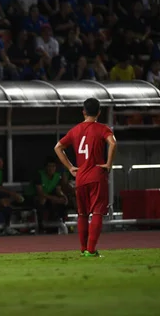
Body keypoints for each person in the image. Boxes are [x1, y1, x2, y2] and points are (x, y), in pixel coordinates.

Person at [54, 98, 117, 257]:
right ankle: (91, 249)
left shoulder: (75, 130)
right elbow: (113, 143)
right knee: (97, 212)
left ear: (83, 111)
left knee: (82, 213)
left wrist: (70, 167)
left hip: (80, 177)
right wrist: (108, 164)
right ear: (99, 112)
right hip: (96, 175)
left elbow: (58, 147)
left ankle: (83, 249)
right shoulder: (102, 128)